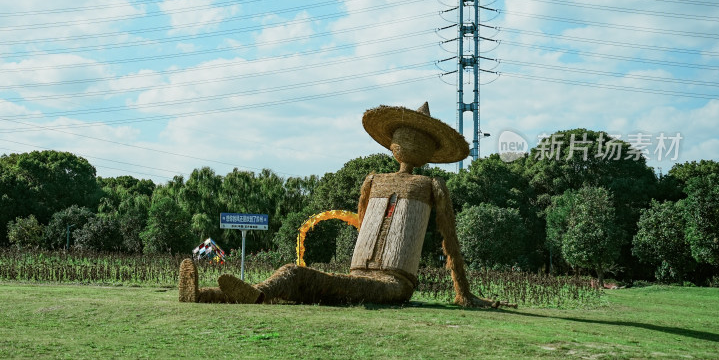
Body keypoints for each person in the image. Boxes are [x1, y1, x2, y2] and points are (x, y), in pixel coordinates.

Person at [179, 102, 501, 308]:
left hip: (394, 284)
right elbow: (362, 224)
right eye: (402, 138)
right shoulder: (373, 180)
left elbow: (451, 244)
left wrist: (464, 292)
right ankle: (206, 295)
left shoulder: (430, 186)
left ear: (428, 150)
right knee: (300, 289)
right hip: (359, 273)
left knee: (296, 275)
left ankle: (255, 292)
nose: (405, 146)